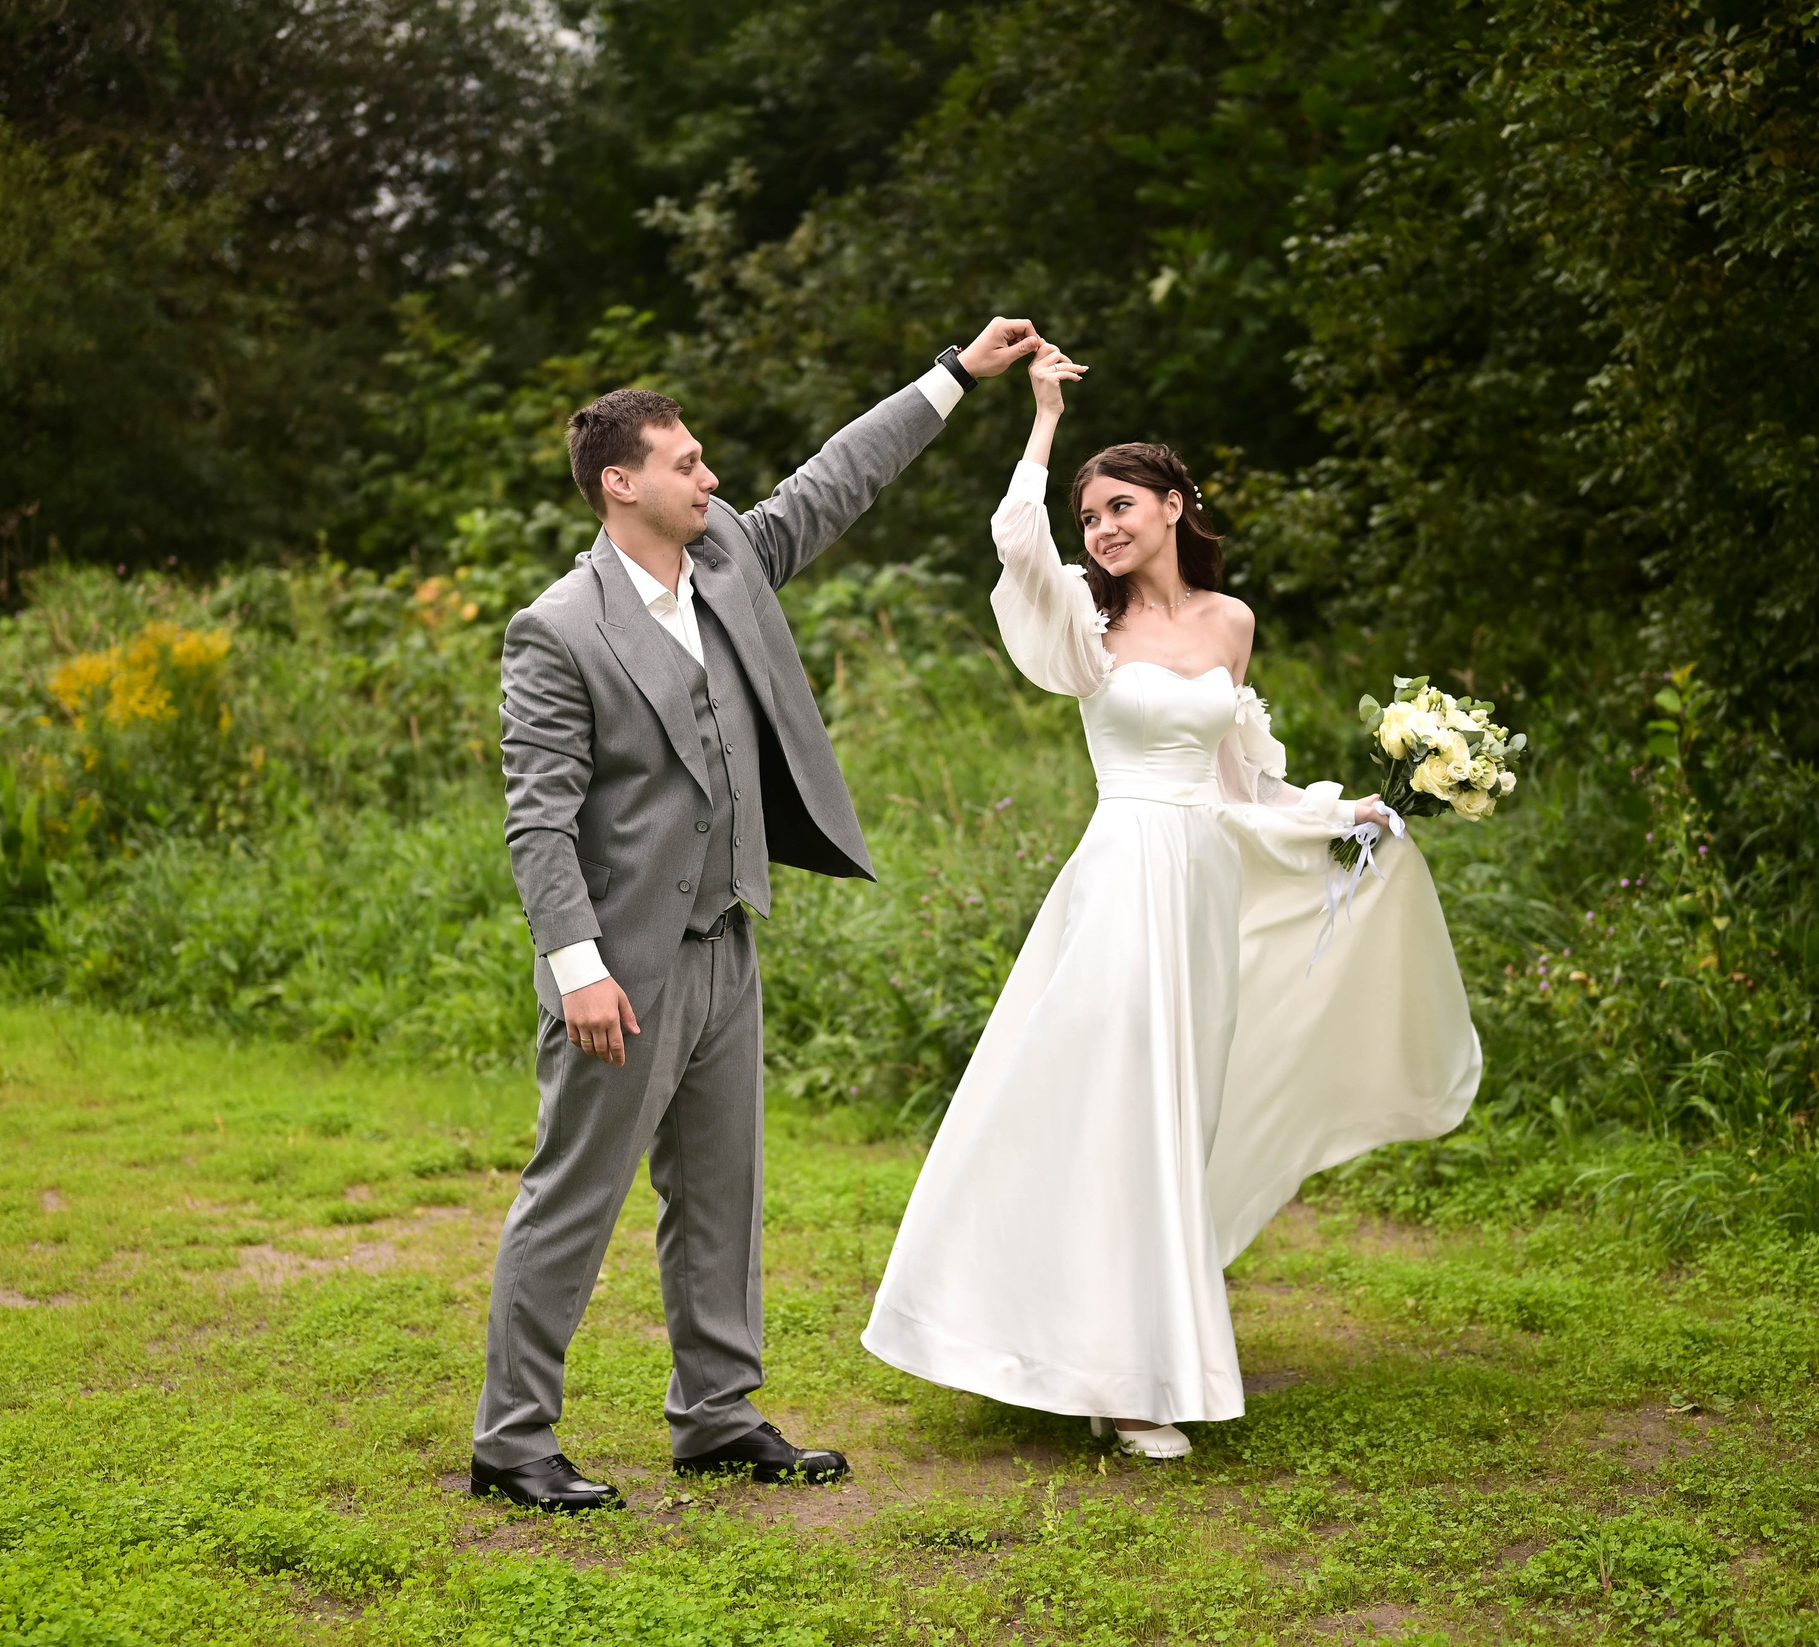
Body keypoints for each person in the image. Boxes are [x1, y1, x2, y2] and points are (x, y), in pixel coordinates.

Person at [861, 344, 1483, 1458]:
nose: (1099, 527)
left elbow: (1242, 781)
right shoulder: (1085, 632)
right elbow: (1014, 542)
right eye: (1088, 514)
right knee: (1113, 1110)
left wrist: (1342, 814)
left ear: (1173, 506)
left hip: (1199, 884)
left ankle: (1129, 1358)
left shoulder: (1230, 623)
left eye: (1118, 507)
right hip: (1117, 882)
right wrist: (1043, 416)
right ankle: (1122, 1380)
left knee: (1176, 1116)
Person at [475, 318, 1048, 1511]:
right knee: (572, 1199)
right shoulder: (557, 630)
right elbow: (539, 819)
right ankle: (513, 1440)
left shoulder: (728, 555)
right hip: (618, 969)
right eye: (687, 464)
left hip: (725, 937)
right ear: (619, 482)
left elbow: (831, 480)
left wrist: (951, 376)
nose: (712, 479)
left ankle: (717, 1416)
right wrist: (576, 965)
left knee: (723, 1197)